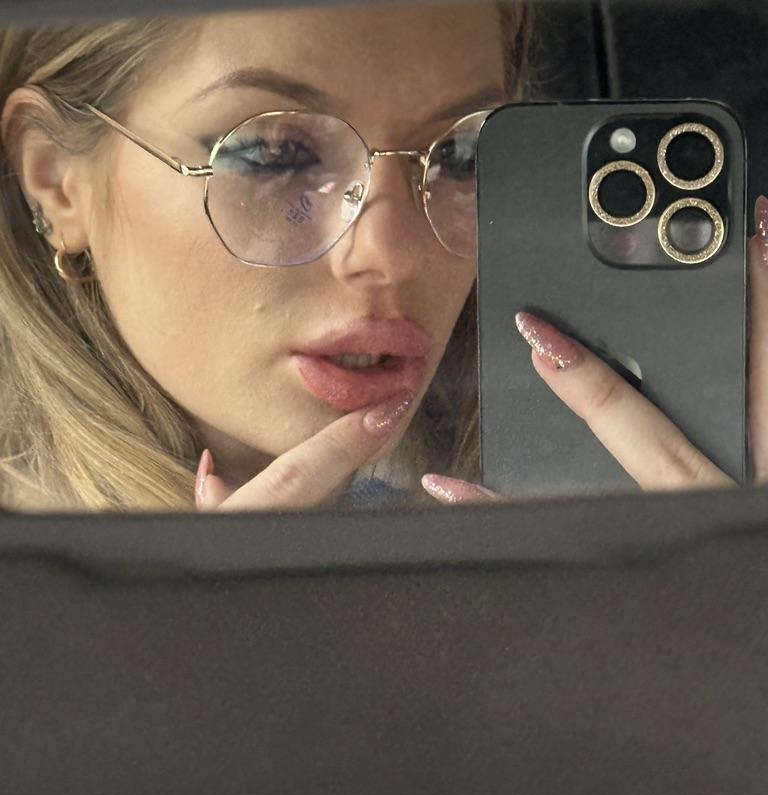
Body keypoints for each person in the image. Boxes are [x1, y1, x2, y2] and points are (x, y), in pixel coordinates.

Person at [0, 3, 763, 514]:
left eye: (463, 154)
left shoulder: (580, 514)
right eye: (273, 155)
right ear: (55, 180)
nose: (393, 255)